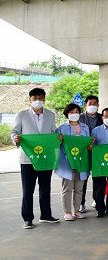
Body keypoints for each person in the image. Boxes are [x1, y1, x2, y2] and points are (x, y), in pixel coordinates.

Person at [11, 87, 59, 229]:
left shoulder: (50, 115)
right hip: (28, 158)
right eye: (35, 98)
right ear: (30, 99)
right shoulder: (22, 115)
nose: (38, 101)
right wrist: (16, 139)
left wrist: (57, 138)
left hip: (45, 158)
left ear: (44, 98)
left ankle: (46, 215)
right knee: (28, 189)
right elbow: (14, 131)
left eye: (40, 98)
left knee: (45, 188)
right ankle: (27, 218)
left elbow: (52, 133)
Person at [55, 103, 92, 221]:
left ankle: (77, 210)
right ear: (67, 114)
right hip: (67, 161)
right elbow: (56, 144)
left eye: (76, 112)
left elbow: (88, 143)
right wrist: (59, 141)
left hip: (82, 161)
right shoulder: (61, 128)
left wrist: (91, 144)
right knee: (67, 188)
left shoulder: (85, 127)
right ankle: (67, 212)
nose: (74, 114)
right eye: (71, 112)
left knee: (79, 188)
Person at [78, 95, 102, 213]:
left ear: (98, 105)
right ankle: (81, 203)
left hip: (98, 151)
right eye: (90, 103)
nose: (92, 106)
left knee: (97, 177)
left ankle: (97, 200)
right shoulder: (79, 117)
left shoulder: (102, 117)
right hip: (84, 151)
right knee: (83, 178)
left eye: (94, 103)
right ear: (85, 105)